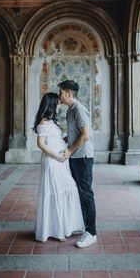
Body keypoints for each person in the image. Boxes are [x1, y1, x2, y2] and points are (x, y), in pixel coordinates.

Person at [33, 92, 84, 242]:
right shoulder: (43, 123)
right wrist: (56, 155)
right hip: (52, 161)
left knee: (66, 190)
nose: (59, 106)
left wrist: (71, 139)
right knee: (56, 193)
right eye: (57, 103)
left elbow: (56, 139)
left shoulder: (51, 123)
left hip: (60, 162)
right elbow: (40, 144)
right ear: (51, 105)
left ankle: (62, 227)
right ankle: (57, 230)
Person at [58, 80, 97, 248]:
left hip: (83, 157)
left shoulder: (79, 109)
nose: (59, 94)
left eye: (60, 92)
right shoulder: (70, 110)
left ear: (69, 94)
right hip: (76, 157)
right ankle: (84, 226)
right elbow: (74, 134)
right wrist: (59, 141)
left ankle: (92, 233)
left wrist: (69, 151)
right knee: (79, 193)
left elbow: (85, 135)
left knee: (86, 194)